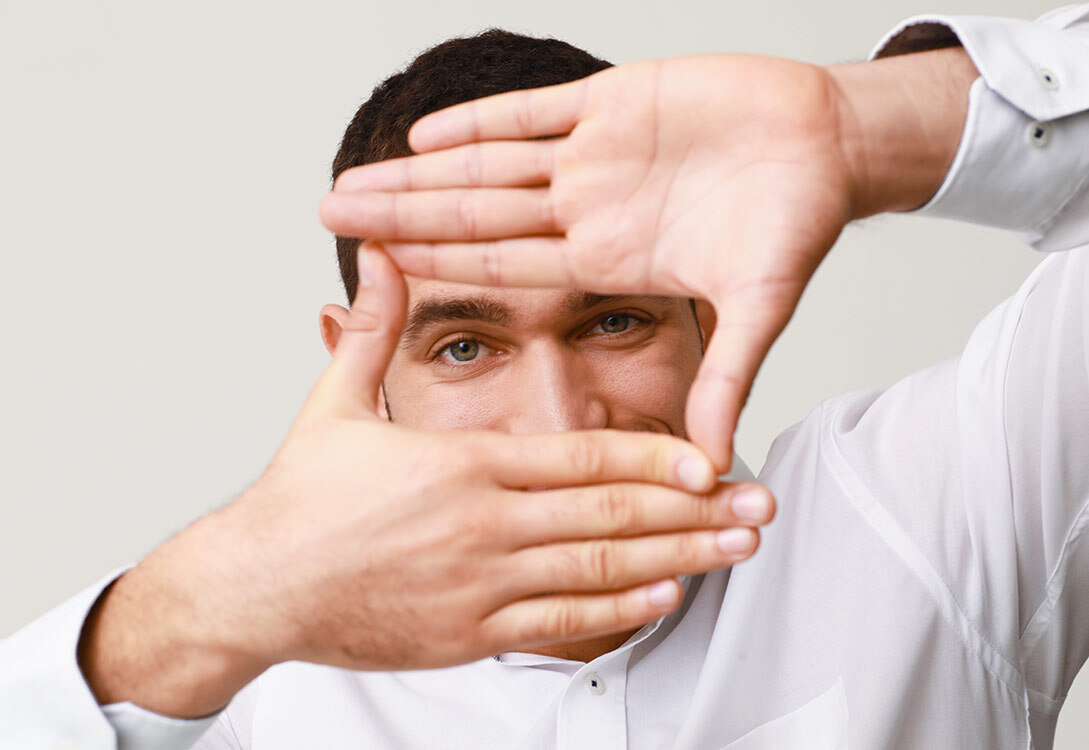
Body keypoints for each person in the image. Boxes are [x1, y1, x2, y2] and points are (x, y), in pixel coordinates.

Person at [4, 6, 1089, 750]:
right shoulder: (248, 692)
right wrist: (213, 602)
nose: (558, 424)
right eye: (464, 347)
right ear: (364, 376)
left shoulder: (945, 510)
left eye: (613, 321)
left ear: (705, 320)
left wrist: (861, 129)